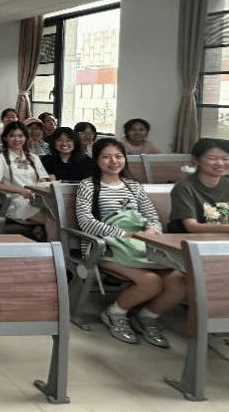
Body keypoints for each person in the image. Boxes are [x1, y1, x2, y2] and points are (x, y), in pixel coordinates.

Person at [77, 138, 181, 349]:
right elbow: (86, 222)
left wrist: (151, 232)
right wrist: (124, 234)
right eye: (106, 157)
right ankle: (114, 313)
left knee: (180, 280)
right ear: (96, 160)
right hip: (106, 248)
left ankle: (147, 316)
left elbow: (151, 216)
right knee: (151, 281)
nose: (113, 161)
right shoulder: (88, 186)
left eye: (118, 156)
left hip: (140, 244)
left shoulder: (133, 186)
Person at [165, 137, 229, 364]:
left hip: (228, 248)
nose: (220, 163)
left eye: (225, 158)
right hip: (195, 247)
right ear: (196, 160)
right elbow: (191, 226)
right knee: (221, 279)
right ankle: (216, 332)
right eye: (213, 158)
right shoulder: (185, 187)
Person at [0, 122, 58, 241]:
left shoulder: (33, 157)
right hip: (17, 202)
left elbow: (43, 179)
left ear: (26, 138)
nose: (17, 139)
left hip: (37, 199)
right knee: (53, 218)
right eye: (12, 136)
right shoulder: (1, 158)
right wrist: (20, 191)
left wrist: (41, 185)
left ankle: (51, 244)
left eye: (20, 136)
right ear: (5, 138)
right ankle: (54, 248)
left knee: (58, 212)